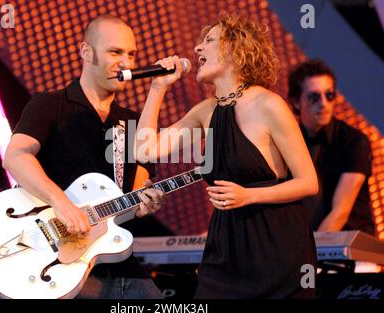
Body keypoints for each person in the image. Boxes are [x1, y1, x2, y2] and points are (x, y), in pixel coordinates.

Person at [134, 14, 319, 298]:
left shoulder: (268, 104)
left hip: (275, 246)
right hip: (225, 248)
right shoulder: (206, 110)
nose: (197, 49)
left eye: (208, 41)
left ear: (236, 49)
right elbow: (145, 150)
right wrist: (158, 88)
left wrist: (249, 195)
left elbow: (308, 182)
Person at [3, 15, 165, 299]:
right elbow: (16, 157)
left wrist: (143, 204)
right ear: (86, 52)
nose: (126, 62)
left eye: (131, 54)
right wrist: (62, 203)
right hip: (56, 264)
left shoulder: (133, 123)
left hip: (114, 262)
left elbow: (136, 193)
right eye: (115, 52)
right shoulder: (49, 105)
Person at [288, 59, 375, 235]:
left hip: (353, 251)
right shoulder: (288, 141)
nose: (323, 104)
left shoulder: (354, 141)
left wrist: (311, 253)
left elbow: (339, 213)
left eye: (329, 95)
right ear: (296, 102)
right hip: (309, 247)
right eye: (314, 97)